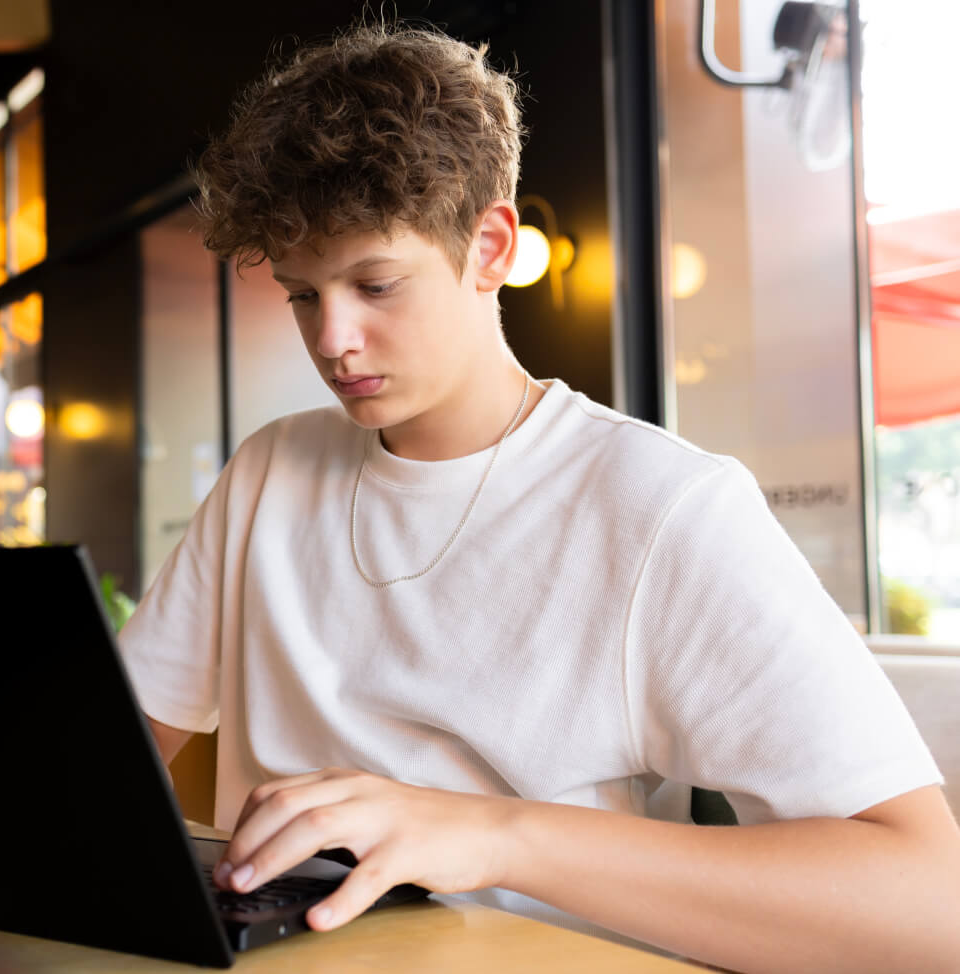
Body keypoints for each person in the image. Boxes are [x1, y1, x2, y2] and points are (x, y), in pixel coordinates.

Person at [117, 21, 960, 972]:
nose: (332, 340)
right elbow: (106, 760)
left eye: (376, 284)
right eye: (304, 296)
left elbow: (930, 906)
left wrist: (493, 835)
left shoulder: (664, 506)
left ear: (490, 248)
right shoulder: (268, 471)